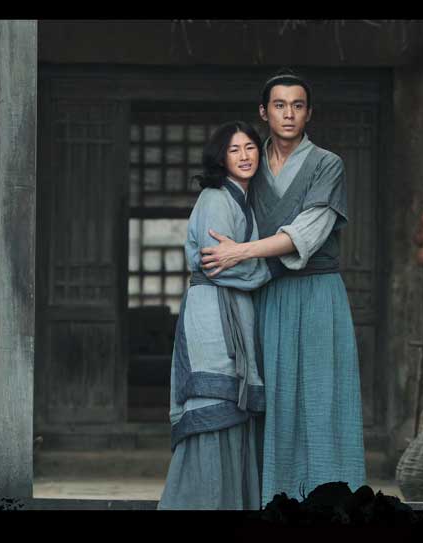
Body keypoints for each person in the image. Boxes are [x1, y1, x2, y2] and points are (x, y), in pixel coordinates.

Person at [201, 72, 366, 505]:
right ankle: (272, 502)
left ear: (309, 113)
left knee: (321, 397)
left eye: (297, 105)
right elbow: (222, 217)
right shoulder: (251, 165)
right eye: (279, 105)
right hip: (265, 294)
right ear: (264, 112)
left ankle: (330, 504)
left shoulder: (327, 164)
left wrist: (240, 252)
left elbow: (306, 233)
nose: (288, 114)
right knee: (269, 400)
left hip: (317, 294)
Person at [157, 121, 271, 510]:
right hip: (211, 313)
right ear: (221, 158)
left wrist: (247, 258)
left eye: (250, 147)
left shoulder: (244, 199)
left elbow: (235, 259)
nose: (244, 156)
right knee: (213, 404)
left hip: (232, 309)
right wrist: (269, 268)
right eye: (234, 149)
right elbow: (215, 263)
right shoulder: (216, 198)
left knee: (232, 413)